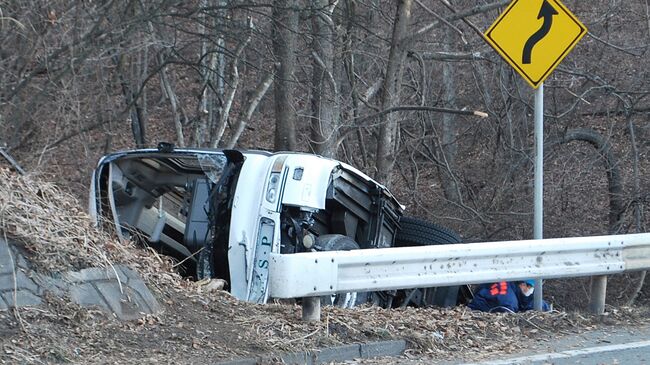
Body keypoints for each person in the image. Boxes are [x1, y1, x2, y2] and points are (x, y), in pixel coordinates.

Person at [467, 280, 550, 313]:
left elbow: (529, 301)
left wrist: (543, 307)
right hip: (478, 311)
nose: (532, 290)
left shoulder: (512, 286)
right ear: (522, 285)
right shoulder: (509, 302)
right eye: (531, 287)